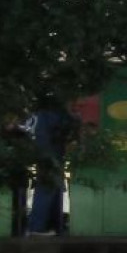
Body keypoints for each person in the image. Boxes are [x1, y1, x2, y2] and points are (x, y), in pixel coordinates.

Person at [26, 94, 80, 234]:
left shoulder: (38, 114)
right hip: (51, 155)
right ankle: (37, 227)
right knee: (47, 188)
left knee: (52, 188)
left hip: (45, 154)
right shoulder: (55, 114)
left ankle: (51, 225)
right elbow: (70, 125)